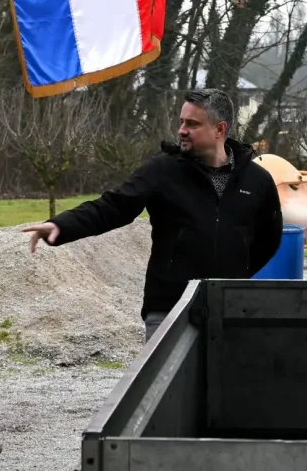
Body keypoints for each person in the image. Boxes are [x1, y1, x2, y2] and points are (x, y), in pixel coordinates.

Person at [20, 89, 283, 342]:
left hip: (228, 307)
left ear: (220, 129)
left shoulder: (256, 180)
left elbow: (268, 239)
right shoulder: (162, 171)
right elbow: (113, 206)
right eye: (181, 121)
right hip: (168, 308)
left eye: (192, 124)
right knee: (164, 388)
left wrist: (236, 272)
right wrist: (61, 225)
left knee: (224, 387)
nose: (181, 130)